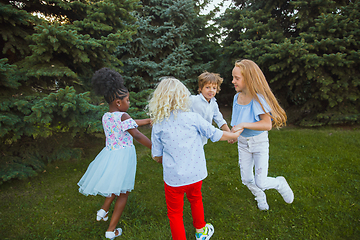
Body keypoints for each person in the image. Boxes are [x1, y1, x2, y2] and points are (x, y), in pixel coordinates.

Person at [148, 77, 241, 240]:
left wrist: (164, 160)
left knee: (175, 213)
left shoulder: (158, 124)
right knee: (196, 199)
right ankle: (200, 232)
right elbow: (215, 134)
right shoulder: (193, 118)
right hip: (195, 174)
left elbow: (157, 154)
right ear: (183, 96)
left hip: (173, 179)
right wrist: (234, 135)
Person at [77, 68, 151, 239]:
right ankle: (111, 230)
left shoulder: (107, 116)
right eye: (127, 100)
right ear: (119, 103)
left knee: (113, 184)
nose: (129, 103)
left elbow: (128, 123)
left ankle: (103, 210)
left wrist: (147, 120)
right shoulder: (123, 116)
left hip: (110, 155)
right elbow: (137, 135)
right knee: (123, 193)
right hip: (123, 157)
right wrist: (155, 148)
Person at [229, 59, 294, 211]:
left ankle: (280, 183)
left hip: (259, 144)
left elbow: (266, 125)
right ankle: (260, 196)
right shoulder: (236, 98)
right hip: (243, 144)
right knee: (246, 179)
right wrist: (235, 134)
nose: (233, 81)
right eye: (233, 77)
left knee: (262, 182)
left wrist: (244, 125)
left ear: (249, 78)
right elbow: (237, 121)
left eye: (236, 78)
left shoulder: (258, 99)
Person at [190, 71, 231, 145]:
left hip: (202, 139)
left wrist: (230, 135)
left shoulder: (213, 104)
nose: (211, 90)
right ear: (200, 88)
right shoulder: (193, 100)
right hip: (190, 136)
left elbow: (220, 120)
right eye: (207, 87)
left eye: (214, 88)